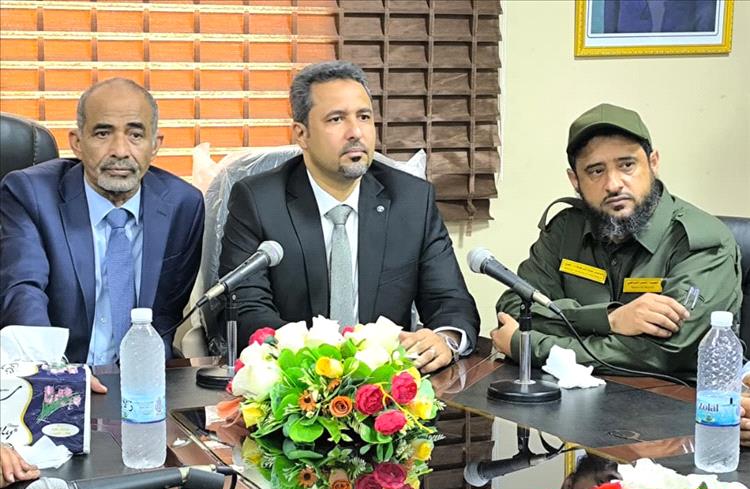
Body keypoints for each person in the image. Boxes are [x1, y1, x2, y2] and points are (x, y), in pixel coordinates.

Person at [219, 60, 479, 373]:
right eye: (336, 119)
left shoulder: (411, 201)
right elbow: (246, 309)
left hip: (386, 386)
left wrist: (445, 339)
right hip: (296, 380)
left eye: (364, 117)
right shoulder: (259, 201)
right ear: (302, 134)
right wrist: (322, 364)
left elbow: (450, 301)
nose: (355, 132)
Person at [493, 103, 741, 379]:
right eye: (596, 171)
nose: (613, 184)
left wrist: (529, 346)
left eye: (627, 165)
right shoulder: (565, 230)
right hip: (567, 396)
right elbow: (516, 307)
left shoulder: (700, 240)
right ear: (575, 180)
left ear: (653, 163)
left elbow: (666, 351)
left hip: (669, 399)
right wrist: (610, 319)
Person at [0, 78, 205, 365]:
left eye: (135, 135)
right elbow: (23, 292)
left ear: (155, 145)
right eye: (102, 133)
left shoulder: (184, 206)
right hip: (60, 370)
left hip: (143, 374)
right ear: (77, 143)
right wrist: (58, 375)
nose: (120, 150)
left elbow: (166, 314)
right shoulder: (30, 195)